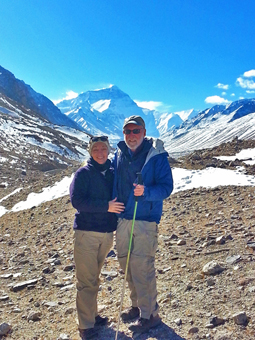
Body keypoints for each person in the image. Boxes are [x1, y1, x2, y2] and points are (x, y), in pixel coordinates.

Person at [112, 115, 174, 333]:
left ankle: (151, 315)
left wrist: (146, 192)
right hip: (123, 219)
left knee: (142, 267)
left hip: (145, 219)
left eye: (135, 131)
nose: (131, 135)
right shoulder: (119, 153)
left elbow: (166, 187)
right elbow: (115, 181)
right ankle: (137, 306)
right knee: (126, 264)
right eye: (127, 131)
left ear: (144, 132)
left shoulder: (156, 156)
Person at [70, 136, 125, 340]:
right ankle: (85, 326)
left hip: (106, 234)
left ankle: (91, 316)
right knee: (86, 280)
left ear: (109, 150)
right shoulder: (83, 173)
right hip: (86, 233)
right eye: (96, 149)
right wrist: (106, 206)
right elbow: (77, 201)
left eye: (104, 148)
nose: (100, 152)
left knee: (94, 276)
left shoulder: (112, 172)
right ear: (90, 151)